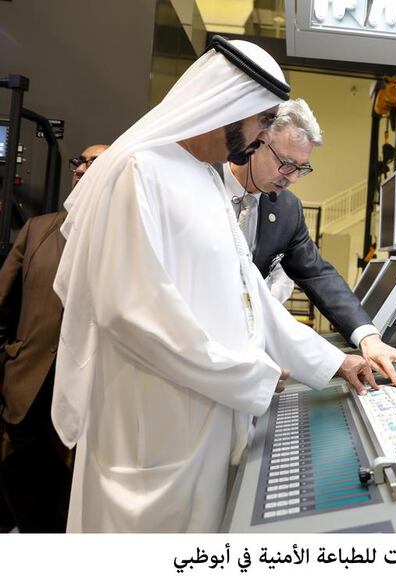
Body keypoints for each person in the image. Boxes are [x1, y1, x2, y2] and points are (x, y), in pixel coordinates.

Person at [50, 37, 376, 533]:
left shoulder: (205, 179)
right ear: (230, 106)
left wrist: (337, 360)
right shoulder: (141, 171)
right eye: (264, 121)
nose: (264, 135)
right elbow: (131, 313)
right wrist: (248, 373)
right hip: (155, 429)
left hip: (210, 415)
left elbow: (253, 299)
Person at [225, 99, 396, 386]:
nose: (291, 178)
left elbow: (316, 272)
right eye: (285, 163)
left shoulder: (286, 208)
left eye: (301, 168)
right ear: (257, 142)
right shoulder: (204, 187)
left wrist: (367, 336)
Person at [0, 144, 108, 532]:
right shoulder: (37, 229)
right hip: (25, 389)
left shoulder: (123, 240)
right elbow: (4, 302)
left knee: (70, 495)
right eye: (80, 161)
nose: (81, 169)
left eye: (96, 163)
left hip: (84, 393)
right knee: (19, 482)